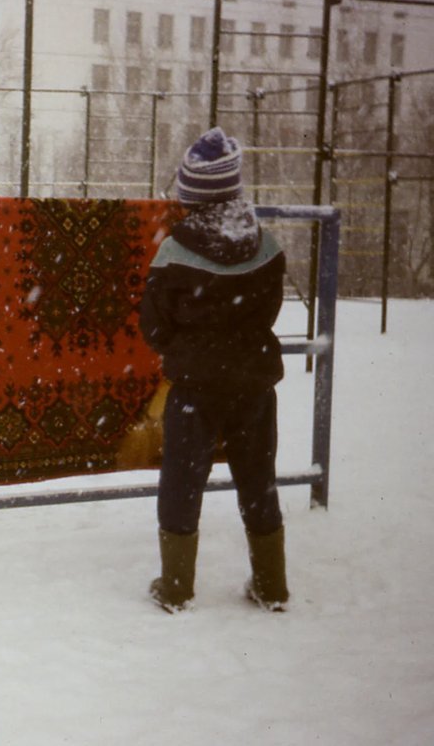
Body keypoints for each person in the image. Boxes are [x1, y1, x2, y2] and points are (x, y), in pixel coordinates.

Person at [139, 127, 290, 613]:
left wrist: (183, 351)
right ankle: (271, 585)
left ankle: (177, 587)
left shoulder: (174, 252)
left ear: (190, 195)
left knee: (182, 481)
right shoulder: (266, 245)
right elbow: (269, 310)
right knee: (257, 478)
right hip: (253, 382)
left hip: (194, 387)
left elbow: (153, 322)